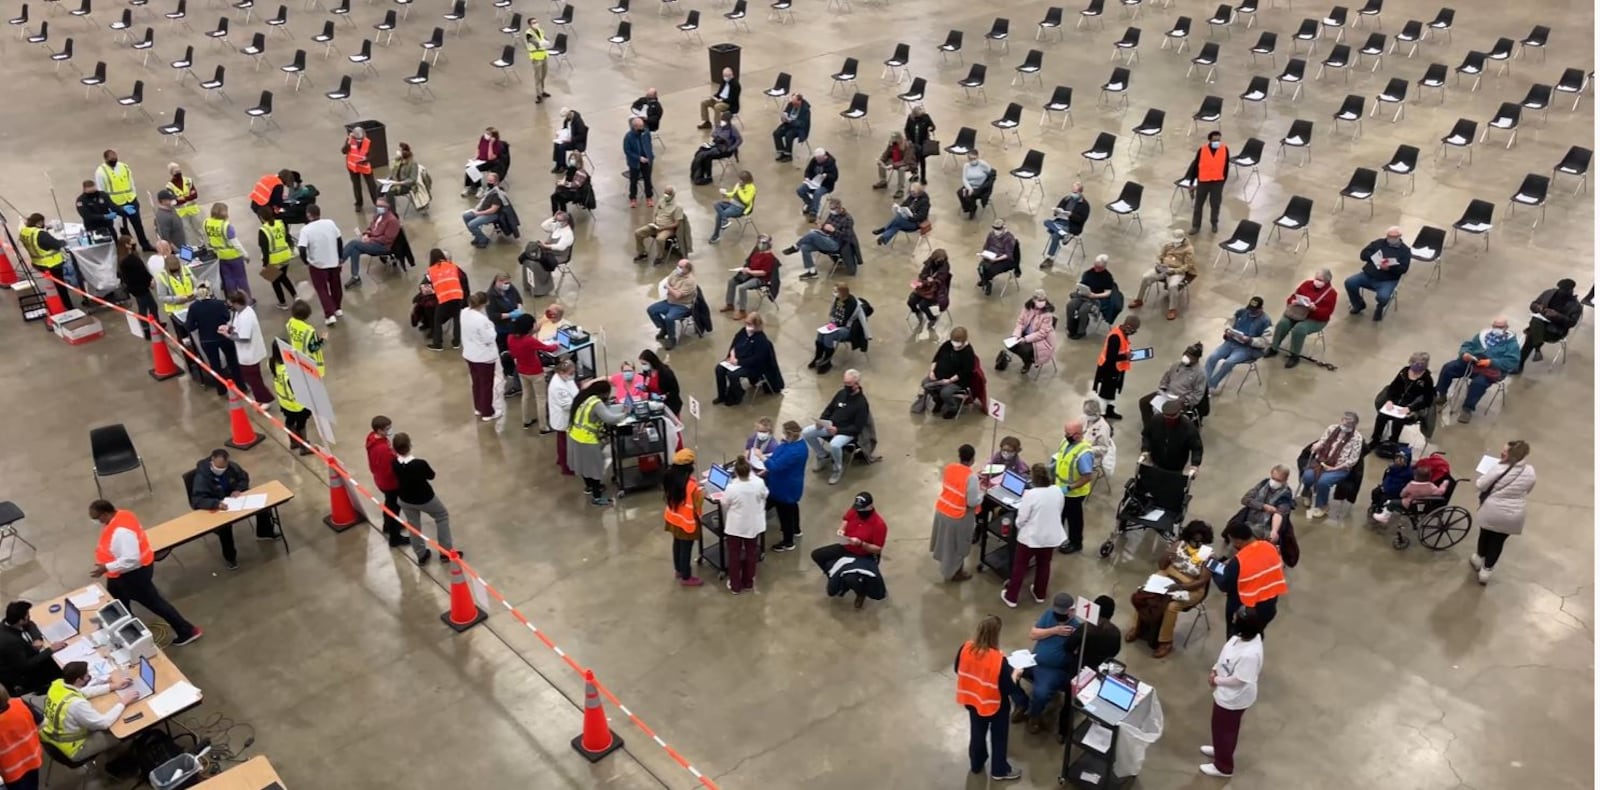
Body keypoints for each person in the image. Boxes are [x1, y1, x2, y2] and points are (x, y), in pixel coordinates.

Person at [88, 500, 202, 645]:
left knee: (155, 603)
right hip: (120, 573)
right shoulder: (122, 515)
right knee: (118, 601)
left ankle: (187, 631)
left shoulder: (122, 533)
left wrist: (106, 567)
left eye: (96, 518)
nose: (96, 521)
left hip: (133, 574)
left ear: (105, 514)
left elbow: (132, 559)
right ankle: (125, 631)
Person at [954, 616, 1028, 782]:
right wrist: (1016, 674)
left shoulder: (965, 648)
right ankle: (999, 770)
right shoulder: (998, 661)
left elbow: (957, 669)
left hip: (972, 700)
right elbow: (1009, 688)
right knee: (999, 737)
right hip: (994, 705)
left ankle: (976, 763)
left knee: (977, 733)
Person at [1127, 521, 1214, 658]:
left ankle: (1165, 641)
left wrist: (1180, 587)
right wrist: (1168, 554)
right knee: (1145, 593)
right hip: (1169, 574)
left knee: (1171, 606)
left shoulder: (1209, 555)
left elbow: (1202, 581)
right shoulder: (1178, 545)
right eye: (1193, 540)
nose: (1196, 544)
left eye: (1200, 541)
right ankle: (1137, 627)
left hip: (1192, 586)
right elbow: (1162, 566)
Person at [188, 448, 277, 569]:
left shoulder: (232, 467)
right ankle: (230, 557)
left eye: (224, 467)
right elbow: (197, 500)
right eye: (219, 467)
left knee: (262, 506)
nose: (221, 470)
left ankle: (264, 532)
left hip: (233, 500)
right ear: (212, 460)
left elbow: (244, 477)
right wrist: (216, 504)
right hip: (216, 505)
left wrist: (238, 489)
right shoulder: (202, 477)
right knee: (224, 527)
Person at [1201, 610, 1264, 778]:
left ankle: (1224, 766)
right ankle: (1220, 750)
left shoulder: (1251, 654)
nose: (1233, 620)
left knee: (1226, 731)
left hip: (1234, 697)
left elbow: (1240, 679)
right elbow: (1225, 656)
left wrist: (1217, 680)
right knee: (1219, 727)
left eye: (1236, 619)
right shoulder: (1240, 638)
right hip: (1224, 690)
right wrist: (1215, 669)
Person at [38, 660, 136, 763]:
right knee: (123, 731)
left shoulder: (58, 685)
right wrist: (122, 702)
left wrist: (113, 686)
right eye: (86, 676)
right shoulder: (76, 704)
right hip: (73, 748)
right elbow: (103, 723)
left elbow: (82, 692)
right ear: (78, 680)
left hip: (52, 737)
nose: (89, 677)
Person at [1000, 463, 1067, 608]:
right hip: (1051, 537)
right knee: (1044, 565)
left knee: (1020, 566)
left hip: (1030, 539)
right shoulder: (1057, 491)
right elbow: (1059, 510)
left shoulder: (1031, 495)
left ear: (1033, 479)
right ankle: (1039, 593)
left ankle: (1011, 596)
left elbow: (1022, 518)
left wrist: (1018, 526)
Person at [1433, 318, 1521, 423]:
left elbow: (1512, 361)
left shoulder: (1511, 344)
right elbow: (1468, 345)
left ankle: (1467, 409)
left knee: (1479, 383)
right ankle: (1442, 395)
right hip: (1472, 363)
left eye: (1500, 327)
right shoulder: (1482, 335)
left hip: (1490, 370)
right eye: (1495, 326)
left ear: (1506, 328)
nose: (1497, 329)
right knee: (1448, 367)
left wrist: (1491, 362)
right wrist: (1465, 353)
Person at [1472, 440, 1535, 585]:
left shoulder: (1498, 468)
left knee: (1485, 535)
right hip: (1514, 514)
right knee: (1498, 542)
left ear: (1511, 456)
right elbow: (1528, 490)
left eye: (1504, 452)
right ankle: (1486, 571)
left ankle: (1478, 559)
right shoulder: (1530, 471)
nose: (1501, 453)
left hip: (1492, 510)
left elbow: (1481, 485)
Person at [810, 493, 887, 607]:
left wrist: (861, 543)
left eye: (862, 508)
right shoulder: (854, 511)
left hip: (864, 555)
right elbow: (846, 520)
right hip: (846, 546)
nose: (858, 511)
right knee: (818, 555)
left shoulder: (879, 525)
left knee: (851, 578)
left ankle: (861, 593)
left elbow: (877, 549)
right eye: (857, 508)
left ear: (870, 506)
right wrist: (841, 529)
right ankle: (834, 576)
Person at [391, 433, 456, 565]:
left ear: (394, 449)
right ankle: (445, 551)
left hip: (405, 499)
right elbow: (431, 475)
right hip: (424, 498)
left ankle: (421, 554)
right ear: (410, 445)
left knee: (413, 525)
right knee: (442, 516)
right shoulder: (419, 464)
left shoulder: (394, 463)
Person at [1018, 593, 1078, 732]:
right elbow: (1033, 634)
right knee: (1005, 668)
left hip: (1052, 670)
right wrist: (1055, 630)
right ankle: (1021, 703)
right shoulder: (1048, 614)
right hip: (1033, 660)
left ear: (1071, 611)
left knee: (1041, 693)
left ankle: (1034, 716)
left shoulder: (1076, 627)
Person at [1215, 521, 1285, 637]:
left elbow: (1224, 585)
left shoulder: (1239, 561)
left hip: (1245, 611)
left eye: (1231, 541)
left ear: (1237, 540)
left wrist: (1213, 571)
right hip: (1268, 607)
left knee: (1236, 639)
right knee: (1256, 634)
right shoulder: (1269, 547)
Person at [802, 369, 870, 485]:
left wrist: (838, 430)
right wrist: (822, 420)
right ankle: (822, 455)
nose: (846, 386)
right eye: (845, 383)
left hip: (847, 432)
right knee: (807, 432)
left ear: (857, 384)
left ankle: (837, 469)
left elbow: (857, 428)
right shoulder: (841, 393)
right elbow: (829, 409)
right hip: (831, 426)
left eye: (849, 384)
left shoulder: (861, 403)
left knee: (835, 444)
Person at [568, 379, 628, 505]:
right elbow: (610, 419)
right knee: (594, 468)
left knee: (584, 465)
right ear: (604, 393)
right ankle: (597, 497)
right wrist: (625, 414)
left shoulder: (585, 397)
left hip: (575, 435)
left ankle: (589, 487)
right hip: (587, 439)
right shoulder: (596, 403)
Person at [929, 445, 982, 583]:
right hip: (958, 516)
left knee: (946, 543)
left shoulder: (949, 468)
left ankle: (948, 567)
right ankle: (955, 572)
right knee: (958, 547)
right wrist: (982, 494)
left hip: (942, 510)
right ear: (972, 459)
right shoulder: (972, 478)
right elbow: (971, 502)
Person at [1264, 268, 1337, 368]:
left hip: (1316, 319)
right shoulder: (1306, 284)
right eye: (1316, 279)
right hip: (1298, 313)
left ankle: (1294, 355)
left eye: (1320, 280)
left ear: (1327, 281)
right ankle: (1274, 347)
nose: (1317, 282)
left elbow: (1327, 313)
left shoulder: (1331, 294)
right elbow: (1292, 297)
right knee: (1283, 323)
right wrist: (1293, 301)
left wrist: (1315, 309)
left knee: (1299, 329)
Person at [1231, 466, 1299, 567]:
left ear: (1285, 480)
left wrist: (1274, 531)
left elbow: (1279, 513)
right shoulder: (1263, 484)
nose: (1274, 482)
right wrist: (1263, 506)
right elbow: (1245, 499)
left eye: (1278, 480)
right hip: (1250, 518)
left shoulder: (1286, 495)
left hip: (1266, 525)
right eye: (1273, 478)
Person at [1300, 412, 1364, 518]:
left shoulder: (1357, 438)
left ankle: (1322, 506)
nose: (1345, 427)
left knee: (1323, 482)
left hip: (1340, 467)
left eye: (1349, 425)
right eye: (1344, 423)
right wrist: (1317, 446)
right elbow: (1323, 441)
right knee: (1307, 476)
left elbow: (1353, 460)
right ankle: (1307, 493)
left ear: (1354, 425)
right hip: (1321, 461)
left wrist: (1334, 468)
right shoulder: (1331, 429)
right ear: (1341, 420)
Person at [1204, 296, 1274, 392]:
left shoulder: (1266, 321)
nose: (1251, 312)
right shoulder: (1242, 312)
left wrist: (1250, 340)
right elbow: (1229, 322)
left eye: (1254, 310)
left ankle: (1211, 384)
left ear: (1261, 309)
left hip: (1247, 348)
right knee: (1212, 357)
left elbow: (1266, 341)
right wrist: (1227, 330)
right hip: (1231, 341)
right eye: (1250, 309)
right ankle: (1204, 383)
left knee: (1229, 362)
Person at [721, 456, 768, 595]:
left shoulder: (732, 488)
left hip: (736, 526)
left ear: (735, 472)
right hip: (753, 525)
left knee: (734, 555)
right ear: (749, 471)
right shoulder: (759, 483)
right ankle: (749, 582)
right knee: (751, 552)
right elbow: (765, 494)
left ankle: (735, 585)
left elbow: (724, 503)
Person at [1344, 226, 1412, 321]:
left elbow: (1404, 269)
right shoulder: (1379, 243)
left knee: (1383, 297)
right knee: (1350, 282)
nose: (1390, 239)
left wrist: (1390, 268)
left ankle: (1379, 308)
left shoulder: (1405, 251)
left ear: (1399, 236)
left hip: (1387, 280)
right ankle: (1358, 305)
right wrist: (1374, 258)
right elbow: (1363, 254)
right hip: (1368, 275)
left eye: (1393, 236)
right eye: (1389, 236)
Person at [1516, 278, 1583, 372]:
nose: (1561, 292)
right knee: (1535, 324)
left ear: (1571, 290)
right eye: (1560, 289)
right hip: (1540, 321)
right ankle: (1536, 350)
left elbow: (1571, 323)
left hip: (1555, 330)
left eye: (1564, 290)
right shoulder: (1549, 293)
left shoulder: (1576, 306)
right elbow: (1533, 305)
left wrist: (1557, 316)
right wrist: (1538, 308)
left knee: (1531, 334)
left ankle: (1521, 362)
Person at [1131, 228, 1198, 320]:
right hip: (1164, 268)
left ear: (1183, 239)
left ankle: (1172, 309)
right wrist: (1159, 264)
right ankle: (1139, 299)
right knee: (1146, 277)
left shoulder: (1189, 249)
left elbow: (1188, 265)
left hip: (1177, 271)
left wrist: (1174, 271)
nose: (1175, 243)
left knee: (1173, 286)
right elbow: (1160, 256)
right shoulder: (1168, 245)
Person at [1052, 420, 1097, 554]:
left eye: (1068, 433)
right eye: (1065, 432)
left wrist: (1069, 488)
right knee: (1059, 514)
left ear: (1077, 435)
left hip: (1074, 493)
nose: (1065, 435)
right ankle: (1057, 537)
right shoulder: (1065, 441)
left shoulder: (1084, 454)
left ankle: (1075, 543)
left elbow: (1087, 477)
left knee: (1074, 519)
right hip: (1059, 487)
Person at [95, 149, 155, 251]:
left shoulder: (124, 167)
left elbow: (131, 182)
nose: (114, 160)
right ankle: (131, 247)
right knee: (124, 228)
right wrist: (109, 206)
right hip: (117, 205)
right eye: (111, 159)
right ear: (105, 159)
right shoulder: (101, 172)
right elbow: (102, 190)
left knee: (138, 225)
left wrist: (134, 196)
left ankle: (145, 245)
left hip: (130, 200)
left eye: (115, 158)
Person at [0, 601, 64, 696]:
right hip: (22, 676)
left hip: (25, 658)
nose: (29, 617)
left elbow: (30, 624)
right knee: (58, 666)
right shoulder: (11, 642)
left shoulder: (6, 623)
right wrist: (50, 650)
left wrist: (37, 638)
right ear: (21, 620)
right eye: (27, 615)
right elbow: (25, 666)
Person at [662, 449, 705, 586]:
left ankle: (679, 570)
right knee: (686, 549)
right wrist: (701, 492)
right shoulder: (691, 486)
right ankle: (686, 577)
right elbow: (698, 503)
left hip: (673, 519)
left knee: (677, 544)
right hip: (687, 522)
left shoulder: (669, 478)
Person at [365, 416, 411, 547]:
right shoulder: (383, 449)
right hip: (390, 483)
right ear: (379, 430)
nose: (389, 430)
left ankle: (388, 525)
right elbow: (389, 469)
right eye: (387, 429)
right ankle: (395, 538)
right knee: (394, 508)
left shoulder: (372, 439)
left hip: (380, 479)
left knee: (389, 504)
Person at [1372, 352, 1436, 445]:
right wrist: (1389, 400)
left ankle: (1393, 440)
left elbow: (1427, 401)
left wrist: (1410, 408)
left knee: (1399, 420)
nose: (1415, 373)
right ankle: (1376, 438)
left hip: (1412, 407)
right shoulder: (1404, 372)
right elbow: (1392, 387)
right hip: (1396, 402)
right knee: (1382, 416)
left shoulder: (1427, 380)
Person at [220, 290, 272, 405]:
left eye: (231, 304)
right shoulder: (240, 312)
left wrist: (228, 336)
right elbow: (236, 326)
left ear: (236, 303)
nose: (230, 306)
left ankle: (266, 399)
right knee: (252, 378)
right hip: (245, 353)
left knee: (253, 378)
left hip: (250, 353)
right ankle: (260, 398)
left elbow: (244, 338)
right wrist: (228, 328)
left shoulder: (246, 316)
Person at [506, 315, 557, 430]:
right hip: (535, 372)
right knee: (541, 399)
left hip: (521, 370)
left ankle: (526, 420)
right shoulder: (529, 341)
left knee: (526, 395)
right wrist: (556, 344)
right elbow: (550, 349)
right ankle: (543, 427)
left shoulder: (510, 337)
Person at [785, 196, 856, 278]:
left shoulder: (848, 219)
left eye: (833, 209)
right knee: (805, 247)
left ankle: (796, 246)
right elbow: (826, 228)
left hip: (836, 243)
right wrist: (822, 226)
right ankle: (812, 271)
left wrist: (834, 230)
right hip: (827, 238)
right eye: (830, 209)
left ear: (839, 207)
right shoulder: (832, 215)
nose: (831, 211)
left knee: (812, 234)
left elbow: (847, 236)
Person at [714, 313, 779, 404]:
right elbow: (735, 344)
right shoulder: (743, 332)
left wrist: (738, 362)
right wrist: (731, 355)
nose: (746, 326)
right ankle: (721, 396)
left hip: (753, 367)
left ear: (756, 325)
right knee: (719, 369)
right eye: (746, 323)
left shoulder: (761, 340)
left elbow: (757, 359)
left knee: (732, 374)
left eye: (749, 324)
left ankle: (737, 395)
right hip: (738, 360)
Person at [296, 204, 345, 324]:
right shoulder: (330, 223)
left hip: (317, 264)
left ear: (308, 215)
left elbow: (302, 249)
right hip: (333, 261)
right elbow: (339, 240)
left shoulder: (306, 230)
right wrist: (340, 256)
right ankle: (337, 308)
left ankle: (329, 315)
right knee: (336, 286)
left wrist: (306, 261)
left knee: (322, 289)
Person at [186, 287, 239, 397]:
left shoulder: (194, 307)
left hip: (207, 339)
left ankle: (221, 389)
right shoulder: (219, 304)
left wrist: (199, 325)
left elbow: (189, 326)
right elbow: (227, 316)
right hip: (223, 336)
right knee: (233, 361)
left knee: (215, 364)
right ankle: (241, 385)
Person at [764, 420, 808, 551]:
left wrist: (762, 458)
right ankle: (796, 529)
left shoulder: (795, 452)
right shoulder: (798, 444)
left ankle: (788, 542)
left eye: (784, 433)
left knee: (785, 515)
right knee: (792, 507)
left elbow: (775, 467)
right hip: (789, 486)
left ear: (789, 434)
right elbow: (779, 453)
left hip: (783, 488)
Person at [915, 327, 977, 419]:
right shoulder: (947, 345)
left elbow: (965, 371)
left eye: (958, 342)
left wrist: (950, 380)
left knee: (945, 392)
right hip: (939, 375)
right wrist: (932, 371)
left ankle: (953, 408)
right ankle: (938, 399)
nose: (955, 344)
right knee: (925, 383)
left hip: (957, 380)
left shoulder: (968, 353)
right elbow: (936, 358)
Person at [1139, 342, 1207, 424]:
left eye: (1190, 356)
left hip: (1181, 399)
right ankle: (1149, 427)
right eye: (1186, 353)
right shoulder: (1177, 364)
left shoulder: (1200, 373)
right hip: (1167, 393)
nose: (1186, 356)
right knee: (1143, 402)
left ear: (1196, 358)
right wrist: (1163, 388)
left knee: (1165, 414)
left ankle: (1164, 432)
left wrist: (1183, 401)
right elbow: (1166, 377)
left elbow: (1197, 394)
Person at [18, 214, 74, 311]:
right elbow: (57, 244)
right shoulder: (41, 234)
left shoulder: (24, 231)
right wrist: (63, 241)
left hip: (37, 263)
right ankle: (68, 306)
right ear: (39, 223)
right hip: (51, 265)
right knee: (61, 287)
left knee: (52, 285)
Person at [341, 197, 400, 287]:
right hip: (371, 242)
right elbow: (370, 228)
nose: (378, 208)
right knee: (354, 250)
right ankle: (355, 276)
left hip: (382, 246)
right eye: (377, 205)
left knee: (353, 243)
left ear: (387, 206)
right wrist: (366, 234)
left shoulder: (392, 221)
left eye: (381, 206)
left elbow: (387, 239)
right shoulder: (378, 216)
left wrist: (371, 240)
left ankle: (340, 261)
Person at [461, 292, 502, 421]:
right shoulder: (481, 320)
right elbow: (489, 337)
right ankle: (487, 412)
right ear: (484, 303)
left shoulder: (464, 312)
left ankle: (478, 407)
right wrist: (492, 327)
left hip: (469, 354)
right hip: (483, 357)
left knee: (476, 382)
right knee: (486, 384)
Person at [1093, 315, 1140, 420]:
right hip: (1108, 370)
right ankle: (1102, 415)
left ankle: (1109, 411)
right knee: (1104, 395)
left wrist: (1127, 354)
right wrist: (1125, 356)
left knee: (1111, 393)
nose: (1134, 332)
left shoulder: (1123, 333)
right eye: (1133, 330)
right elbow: (1110, 357)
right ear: (1128, 326)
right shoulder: (1115, 337)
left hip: (1117, 369)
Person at [269, 345, 314, 455]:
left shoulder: (272, 363)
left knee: (289, 421)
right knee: (301, 424)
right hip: (297, 405)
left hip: (284, 402)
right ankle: (304, 446)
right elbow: (297, 389)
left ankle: (293, 441)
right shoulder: (290, 371)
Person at [646, 259, 700, 350]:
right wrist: (672, 289)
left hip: (682, 305)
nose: (677, 268)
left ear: (687, 269)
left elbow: (677, 295)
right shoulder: (675, 273)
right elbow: (668, 282)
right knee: (651, 310)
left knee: (669, 318)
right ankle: (664, 328)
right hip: (670, 301)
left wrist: (669, 288)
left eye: (681, 267)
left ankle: (672, 338)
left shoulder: (690, 281)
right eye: (678, 266)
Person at [1183, 131, 1230, 235]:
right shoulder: (1202, 150)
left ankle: (1214, 223)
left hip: (1217, 182)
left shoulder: (1224, 149)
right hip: (1203, 181)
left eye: (1218, 140)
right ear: (1209, 140)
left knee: (1215, 204)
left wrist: (1223, 180)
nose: (1217, 142)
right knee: (1198, 205)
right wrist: (1192, 183)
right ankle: (1196, 226)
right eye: (1214, 140)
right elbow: (1195, 167)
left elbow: (1226, 166)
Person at [1064, 255, 1121, 339]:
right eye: (1095, 266)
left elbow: (1108, 292)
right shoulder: (1089, 273)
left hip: (1095, 298)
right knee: (1070, 306)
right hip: (1083, 295)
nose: (1096, 269)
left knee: (1083, 310)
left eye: (1099, 267)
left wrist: (1095, 295)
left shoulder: (1107, 277)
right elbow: (1082, 283)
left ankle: (1081, 331)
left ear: (1104, 266)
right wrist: (1081, 290)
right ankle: (1071, 327)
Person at [1001, 290, 1057, 375]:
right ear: (1033, 299)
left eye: (1043, 300)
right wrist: (1017, 335)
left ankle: (1027, 362)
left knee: (1023, 349)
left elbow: (1042, 333)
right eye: (1039, 300)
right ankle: (1027, 359)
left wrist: (1026, 339)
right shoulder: (1027, 308)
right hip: (1026, 333)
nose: (1041, 303)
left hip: (1041, 340)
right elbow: (1020, 322)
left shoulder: (1047, 314)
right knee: (1011, 345)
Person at [202, 202, 250, 299]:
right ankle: (246, 299)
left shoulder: (206, 223)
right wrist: (245, 255)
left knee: (228, 279)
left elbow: (206, 239)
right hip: (234, 256)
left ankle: (231, 300)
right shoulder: (226, 226)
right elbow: (235, 243)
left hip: (220, 255)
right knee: (240, 279)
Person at [1141, 400, 1203, 474]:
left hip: (1176, 465)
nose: (1169, 418)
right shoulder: (1156, 420)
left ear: (1179, 413)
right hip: (1156, 460)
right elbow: (1146, 435)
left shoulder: (1188, 427)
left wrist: (1195, 464)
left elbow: (1196, 448)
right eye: (1167, 416)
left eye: (1173, 416)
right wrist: (1145, 449)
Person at [721, 235, 776, 318]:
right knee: (731, 282)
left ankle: (742, 311)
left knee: (742, 288)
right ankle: (729, 304)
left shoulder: (770, 257)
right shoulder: (757, 252)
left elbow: (763, 273)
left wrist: (750, 271)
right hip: (750, 273)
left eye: (762, 242)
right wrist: (746, 268)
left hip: (759, 278)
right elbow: (750, 262)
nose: (759, 244)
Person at [0, 684, 43, 790]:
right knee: (33, 785)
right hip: (32, 756)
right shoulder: (19, 702)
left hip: (12, 770)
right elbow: (42, 722)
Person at [522, 211, 575, 297]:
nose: (558, 222)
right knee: (527, 258)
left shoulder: (568, 234)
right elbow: (544, 226)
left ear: (566, 222)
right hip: (548, 251)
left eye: (560, 220)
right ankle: (529, 286)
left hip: (559, 255)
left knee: (536, 263)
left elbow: (560, 247)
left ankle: (540, 289)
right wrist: (553, 218)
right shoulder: (557, 226)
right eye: (557, 220)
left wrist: (546, 246)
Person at [1039, 182, 1090, 269]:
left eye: (1075, 192)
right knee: (1046, 221)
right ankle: (1064, 234)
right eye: (1072, 191)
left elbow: (1081, 220)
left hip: (1072, 225)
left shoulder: (1085, 205)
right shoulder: (1066, 199)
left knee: (1055, 235)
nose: (1072, 194)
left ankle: (1050, 258)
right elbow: (1058, 208)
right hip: (1061, 221)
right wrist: (1056, 211)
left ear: (1080, 193)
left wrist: (1071, 215)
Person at [425, 249, 468, 351]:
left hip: (444, 297)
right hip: (457, 295)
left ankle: (438, 344)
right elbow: (462, 278)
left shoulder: (431, 270)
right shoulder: (453, 266)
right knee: (457, 319)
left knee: (437, 321)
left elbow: (427, 287)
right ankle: (456, 342)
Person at [255, 207, 297, 309]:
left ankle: (282, 302)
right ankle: (295, 296)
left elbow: (264, 249)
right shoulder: (280, 223)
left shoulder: (263, 230)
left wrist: (265, 264)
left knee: (275, 281)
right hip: (285, 256)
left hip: (273, 260)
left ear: (261, 218)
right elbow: (288, 238)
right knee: (283, 277)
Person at [632, 186, 686, 265]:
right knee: (638, 233)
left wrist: (663, 228)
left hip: (668, 228)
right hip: (656, 225)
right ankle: (642, 253)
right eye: (665, 193)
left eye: (668, 194)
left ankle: (660, 257)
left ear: (673, 195)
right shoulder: (661, 201)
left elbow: (676, 223)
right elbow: (655, 213)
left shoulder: (677, 207)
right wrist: (654, 222)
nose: (666, 196)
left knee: (660, 239)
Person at [116, 234, 157, 339]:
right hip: (140, 288)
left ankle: (151, 326)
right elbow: (140, 273)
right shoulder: (128, 260)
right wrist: (149, 281)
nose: (134, 243)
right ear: (127, 245)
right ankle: (150, 328)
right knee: (149, 307)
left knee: (147, 307)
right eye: (131, 242)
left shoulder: (128, 258)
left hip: (139, 288)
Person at [546, 360, 580, 473]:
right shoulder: (558, 386)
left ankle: (561, 460)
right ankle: (567, 467)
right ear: (561, 372)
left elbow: (573, 389)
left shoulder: (564, 378)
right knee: (565, 444)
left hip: (568, 416)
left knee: (562, 441)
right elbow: (567, 406)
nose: (572, 375)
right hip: (563, 418)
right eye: (570, 373)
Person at [690, 112, 742, 186]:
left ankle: (707, 177)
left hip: (725, 150)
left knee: (706, 155)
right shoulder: (719, 126)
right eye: (722, 119)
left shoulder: (732, 129)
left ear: (728, 121)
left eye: (724, 120)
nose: (722, 121)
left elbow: (739, 140)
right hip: (717, 145)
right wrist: (718, 135)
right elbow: (713, 134)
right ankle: (701, 174)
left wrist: (731, 148)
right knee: (701, 151)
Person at [871, 181, 930, 246]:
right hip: (906, 219)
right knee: (897, 224)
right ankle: (883, 238)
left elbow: (921, 216)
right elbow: (904, 204)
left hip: (915, 223)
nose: (912, 194)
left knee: (898, 220)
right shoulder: (912, 196)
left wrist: (910, 217)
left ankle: (884, 229)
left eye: (914, 193)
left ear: (919, 193)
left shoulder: (925, 202)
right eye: (911, 192)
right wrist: (900, 209)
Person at [707, 170, 756, 244]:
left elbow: (746, 201)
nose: (739, 181)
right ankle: (725, 221)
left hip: (740, 208)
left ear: (745, 180)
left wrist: (739, 190)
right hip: (732, 204)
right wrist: (726, 194)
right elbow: (733, 194)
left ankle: (715, 236)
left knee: (719, 215)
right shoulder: (739, 185)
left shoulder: (751, 188)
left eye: (741, 180)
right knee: (716, 204)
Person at [907, 249, 953, 329]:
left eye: (940, 260)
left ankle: (932, 318)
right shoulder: (929, 262)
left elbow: (939, 281)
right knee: (911, 301)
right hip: (924, 288)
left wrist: (929, 281)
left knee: (923, 305)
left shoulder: (945, 267)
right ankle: (917, 312)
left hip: (936, 291)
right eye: (937, 260)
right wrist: (925, 278)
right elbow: (922, 274)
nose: (938, 262)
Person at [461, 172, 506, 249]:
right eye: (488, 180)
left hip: (492, 215)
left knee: (472, 224)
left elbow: (493, 210)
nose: (489, 183)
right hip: (483, 210)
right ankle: (477, 235)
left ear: (496, 182)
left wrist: (478, 213)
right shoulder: (489, 190)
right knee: (466, 216)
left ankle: (483, 239)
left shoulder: (497, 194)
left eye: (491, 181)